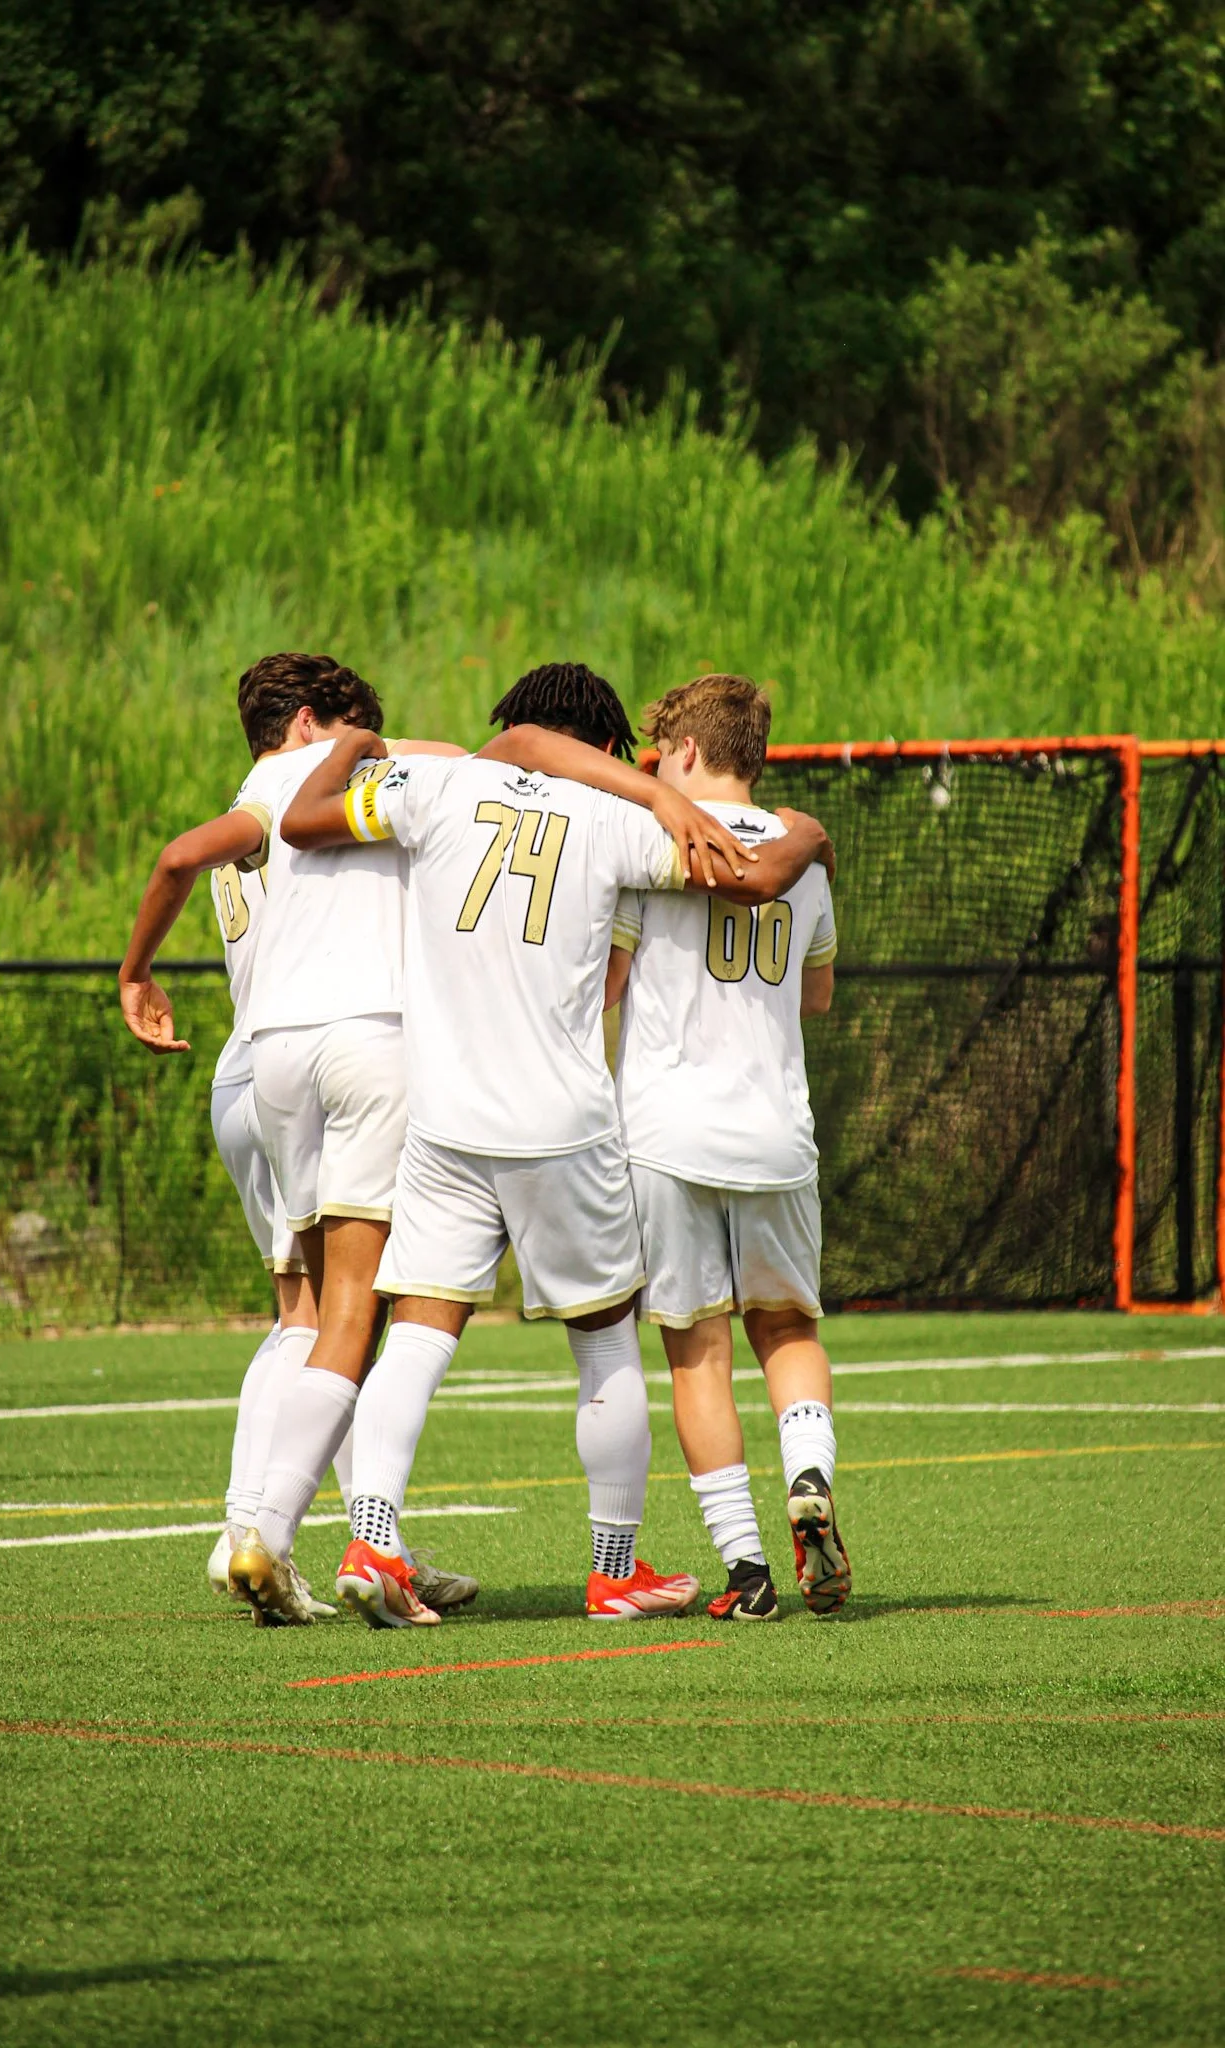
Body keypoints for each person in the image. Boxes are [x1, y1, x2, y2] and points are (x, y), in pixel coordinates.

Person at [279, 661, 835, 1628]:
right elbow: (749, 880)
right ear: (607, 748)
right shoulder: (622, 822)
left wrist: (359, 745)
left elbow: (303, 819)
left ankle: (372, 1536)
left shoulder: (436, 786)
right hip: (563, 1125)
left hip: (446, 1120)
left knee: (414, 1331)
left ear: (510, 720)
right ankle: (613, 1568)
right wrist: (809, 835)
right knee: (607, 1338)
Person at [119, 651, 475, 1624]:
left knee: (311, 1311)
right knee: (353, 1314)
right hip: (359, 1041)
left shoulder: (251, 790)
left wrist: (135, 971)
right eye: (359, 721)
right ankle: (268, 1529)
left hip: (260, 1054)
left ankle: (348, 1532)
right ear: (319, 720)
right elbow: (460, 763)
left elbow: (185, 855)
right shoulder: (346, 768)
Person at [606, 673, 849, 1619]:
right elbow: (817, 995)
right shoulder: (803, 857)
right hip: (774, 1132)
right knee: (787, 1332)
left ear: (691, 755)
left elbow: (612, 981)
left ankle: (746, 1572)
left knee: (696, 1353)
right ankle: (810, 1479)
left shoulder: (650, 840)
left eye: (660, 754)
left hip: (665, 1134)